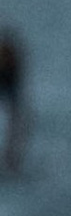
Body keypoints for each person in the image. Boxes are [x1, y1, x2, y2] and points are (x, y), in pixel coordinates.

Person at [0, 25, 25, 178]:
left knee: (17, 118)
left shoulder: (10, 52)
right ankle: (11, 160)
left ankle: (11, 159)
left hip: (9, 78)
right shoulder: (9, 50)